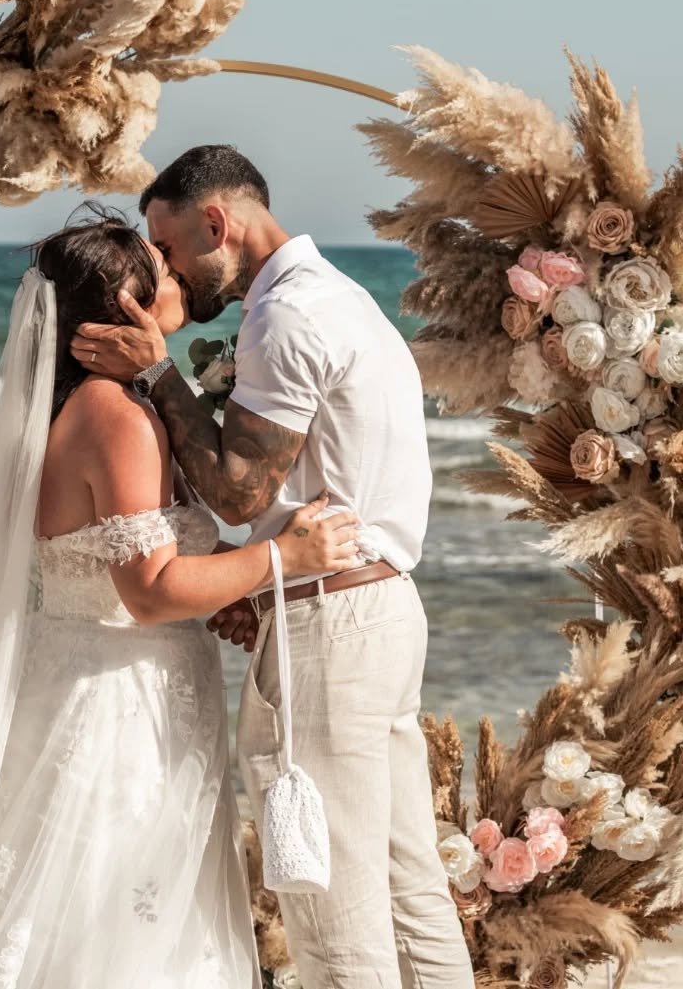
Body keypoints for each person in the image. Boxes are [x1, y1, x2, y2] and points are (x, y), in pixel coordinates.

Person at [0, 204, 360, 989]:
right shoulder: (115, 416)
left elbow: (145, 553)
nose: (174, 273)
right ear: (126, 308)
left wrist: (232, 579)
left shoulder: (91, 405)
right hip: (117, 708)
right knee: (108, 918)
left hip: (101, 683)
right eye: (158, 269)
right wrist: (282, 557)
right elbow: (149, 590)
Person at [72, 146, 475, 989]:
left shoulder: (286, 317)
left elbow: (241, 491)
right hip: (382, 608)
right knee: (410, 894)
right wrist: (258, 581)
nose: (171, 269)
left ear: (216, 222)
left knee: (335, 919)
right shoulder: (344, 300)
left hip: (334, 628)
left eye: (170, 247)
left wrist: (155, 372)